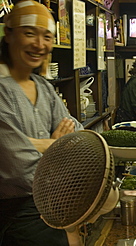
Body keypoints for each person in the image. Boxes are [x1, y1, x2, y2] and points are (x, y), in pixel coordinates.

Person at [0, 1, 84, 245]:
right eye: (29, 34)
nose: (39, 45)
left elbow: (80, 140)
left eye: (47, 37)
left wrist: (39, 145)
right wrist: (56, 144)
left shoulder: (45, 88)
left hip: (52, 204)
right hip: (16, 215)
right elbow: (18, 165)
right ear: (9, 35)